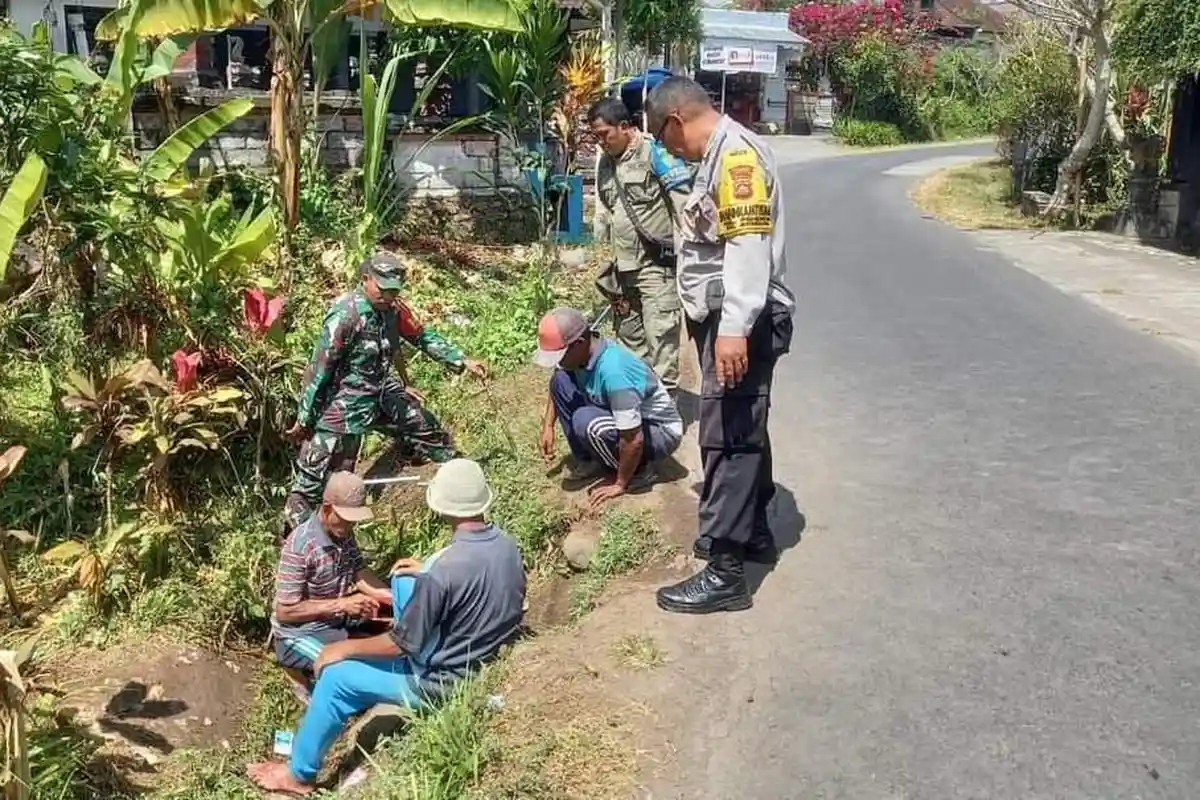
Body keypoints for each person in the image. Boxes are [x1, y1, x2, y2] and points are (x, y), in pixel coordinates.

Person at [248, 459, 527, 796]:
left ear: (441, 505)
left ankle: (297, 776)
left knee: (336, 679)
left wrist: (342, 649)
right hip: (482, 660)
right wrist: (419, 580)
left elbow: (401, 644)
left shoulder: (442, 571)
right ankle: (307, 695)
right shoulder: (507, 546)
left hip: (440, 681)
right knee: (382, 614)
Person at [644, 76, 796, 615]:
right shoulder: (719, 156)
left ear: (675, 120)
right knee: (744, 424)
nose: (667, 151)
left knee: (727, 436)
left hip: (742, 320)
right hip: (731, 317)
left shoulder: (734, 158)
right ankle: (753, 530)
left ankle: (727, 573)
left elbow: (748, 246)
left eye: (663, 139)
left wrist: (733, 328)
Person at [283, 252, 460, 531]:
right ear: (366, 279)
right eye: (383, 289)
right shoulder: (346, 314)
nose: (388, 296)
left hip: (379, 394)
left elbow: (421, 336)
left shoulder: (393, 309)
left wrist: (460, 360)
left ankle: (458, 476)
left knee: (422, 424)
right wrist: (305, 418)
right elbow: (319, 369)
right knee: (323, 486)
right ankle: (303, 543)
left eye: (394, 291)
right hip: (343, 411)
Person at [590, 97, 692, 394]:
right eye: (596, 137)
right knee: (630, 344)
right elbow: (610, 208)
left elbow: (684, 207)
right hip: (624, 271)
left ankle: (664, 412)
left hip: (656, 269)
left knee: (661, 341)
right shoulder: (606, 163)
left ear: (624, 126)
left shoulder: (656, 152)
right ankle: (637, 407)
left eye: (604, 134)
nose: (600, 142)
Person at [534, 307, 683, 510]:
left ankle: (639, 472)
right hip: (628, 420)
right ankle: (589, 460)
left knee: (586, 421)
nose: (559, 361)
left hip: (659, 431)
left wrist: (620, 484)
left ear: (579, 343)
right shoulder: (578, 356)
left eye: (560, 355)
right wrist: (548, 426)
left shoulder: (614, 371)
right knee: (560, 380)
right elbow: (557, 377)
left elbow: (634, 439)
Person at [272, 472, 392, 693]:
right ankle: (302, 678)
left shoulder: (343, 534)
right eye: (346, 520)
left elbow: (359, 572)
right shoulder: (301, 546)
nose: (350, 526)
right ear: (327, 509)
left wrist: (393, 598)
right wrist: (342, 604)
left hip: (333, 621)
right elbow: (285, 612)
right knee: (348, 670)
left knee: (386, 637)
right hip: (299, 633)